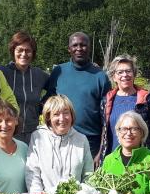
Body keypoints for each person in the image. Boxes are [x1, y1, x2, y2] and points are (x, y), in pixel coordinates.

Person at [45, 32, 110, 160]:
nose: (79, 48)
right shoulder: (59, 71)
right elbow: (48, 101)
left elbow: (106, 115)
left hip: (91, 141)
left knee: (89, 178)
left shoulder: (100, 76)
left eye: (83, 45)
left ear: (89, 48)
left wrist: (101, 150)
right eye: (75, 45)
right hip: (61, 138)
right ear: (69, 49)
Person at [25, 95, 93, 194]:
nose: (62, 118)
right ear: (48, 117)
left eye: (66, 113)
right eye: (56, 114)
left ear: (71, 115)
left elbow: (89, 176)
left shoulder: (81, 140)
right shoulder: (38, 137)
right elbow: (32, 172)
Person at [99, 54, 150, 160]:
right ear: (114, 77)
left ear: (134, 74)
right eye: (120, 72)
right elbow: (104, 132)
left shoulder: (147, 100)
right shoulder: (106, 101)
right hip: (112, 159)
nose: (125, 75)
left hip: (140, 160)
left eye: (128, 71)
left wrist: (149, 156)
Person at [0, 31, 50, 144]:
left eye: (28, 51)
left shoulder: (39, 74)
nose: (24, 54)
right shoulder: (2, 72)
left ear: (33, 53)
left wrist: (43, 106)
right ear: (13, 51)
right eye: (20, 50)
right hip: (8, 133)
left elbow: (57, 86)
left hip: (33, 135)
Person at [100, 112, 150, 194]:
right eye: (124, 129)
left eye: (134, 129)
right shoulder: (109, 160)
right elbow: (101, 192)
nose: (128, 133)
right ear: (118, 133)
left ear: (142, 133)